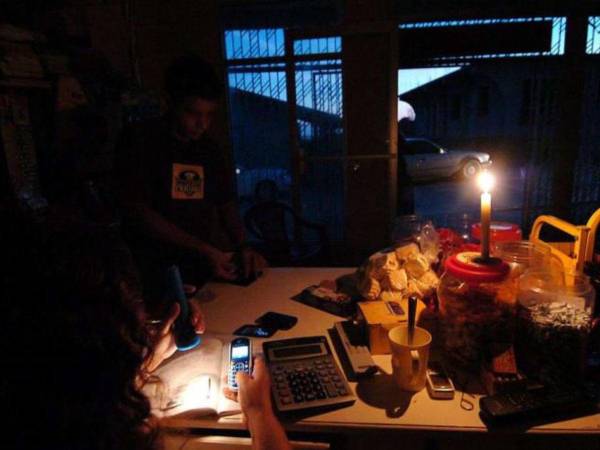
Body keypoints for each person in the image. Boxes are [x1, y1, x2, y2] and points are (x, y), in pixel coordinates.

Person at [3, 225, 289, 450]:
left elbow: (95, 392)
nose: (143, 318)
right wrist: (259, 412)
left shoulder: (44, 409)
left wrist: (152, 357)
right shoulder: (111, 436)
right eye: (135, 307)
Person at [115, 55, 265, 298]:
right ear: (169, 103)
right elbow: (137, 211)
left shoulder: (208, 149)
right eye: (193, 113)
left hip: (199, 265)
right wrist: (205, 249)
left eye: (209, 115)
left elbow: (226, 204)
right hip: (150, 265)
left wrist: (243, 245)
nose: (202, 124)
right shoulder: (140, 141)